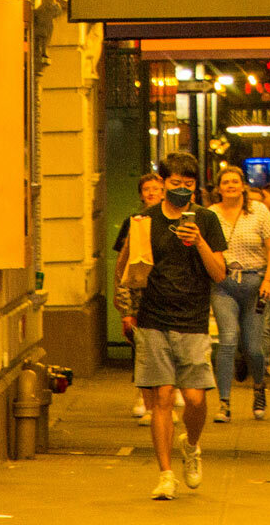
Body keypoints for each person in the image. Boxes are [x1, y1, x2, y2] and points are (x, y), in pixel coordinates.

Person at [128, 153, 227, 500]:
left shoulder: (207, 220)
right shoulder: (143, 221)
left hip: (194, 319)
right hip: (154, 318)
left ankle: (192, 444)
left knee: (196, 399)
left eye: (188, 184)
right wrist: (128, 310)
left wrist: (199, 242)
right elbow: (130, 271)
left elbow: (219, 273)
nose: (182, 189)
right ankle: (165, 475)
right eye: (175, 183)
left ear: (196, 186)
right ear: (162, 183)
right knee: (163, 398)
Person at [208, 164, 270, 422]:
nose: (230, 185)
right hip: (223, 284)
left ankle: (259, 387)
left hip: (254, 284)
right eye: (225, 182)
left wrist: (269, 280)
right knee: (227, 340)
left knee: (254, 348)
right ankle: (224, 402)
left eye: (235, 181)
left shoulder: (259, 212)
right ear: (219, 188)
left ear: (243, 185)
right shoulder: (211, 214)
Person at [112, 172, 165, 421]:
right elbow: (122, 265)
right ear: (141, 194)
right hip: (139, 292)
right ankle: (144, 396)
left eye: (156, 188)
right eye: (147, 189)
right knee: (143, 347)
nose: (152, 193)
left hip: (164, 291)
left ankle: (163, 394)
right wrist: (125, 308)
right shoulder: (133, 222)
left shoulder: (169, 221)